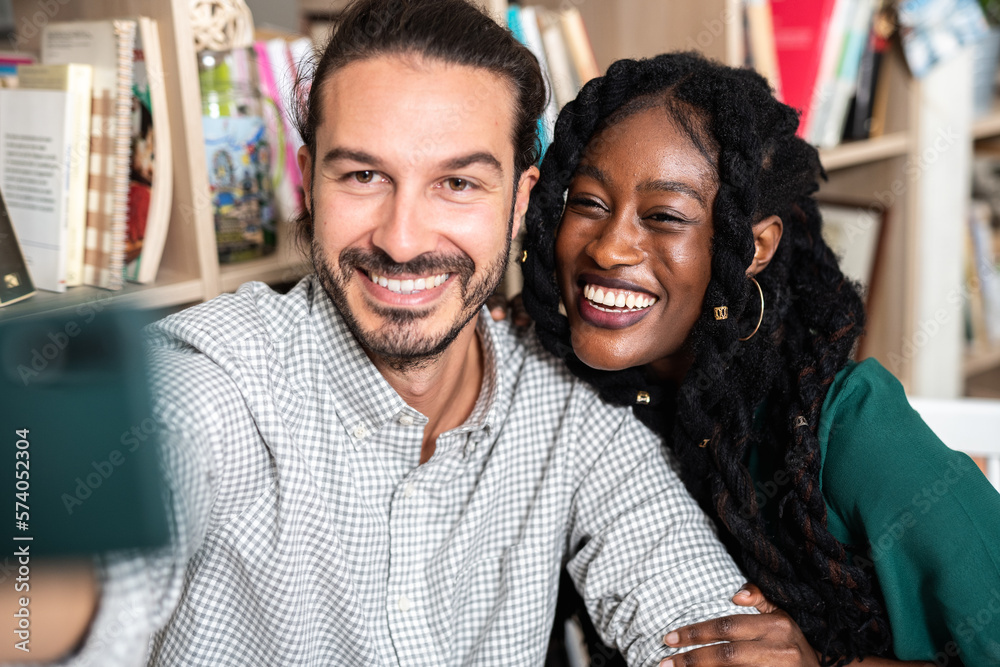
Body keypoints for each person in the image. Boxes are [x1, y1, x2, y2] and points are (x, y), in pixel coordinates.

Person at [0, 4, 761, 666]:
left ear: (521, 200)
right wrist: (41, 593)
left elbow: (693, 617)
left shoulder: (570, 413)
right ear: (308, 181)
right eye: (362, 176)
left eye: (457, 183)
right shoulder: (215, 386)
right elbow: (69, 581)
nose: (400, 240)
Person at [520, 52, 1000, 666]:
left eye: (664, 217)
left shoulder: (851, 431)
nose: (610, 248)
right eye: (587, 203)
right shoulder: (574, 397)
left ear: (754, 246)